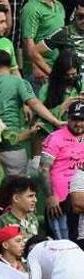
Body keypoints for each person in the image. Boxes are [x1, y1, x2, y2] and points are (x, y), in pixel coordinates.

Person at [42, 101, 84, 238]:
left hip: (81, 201)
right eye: (75, 119)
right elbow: (43, 168)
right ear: (68, 118)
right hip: (59, 203)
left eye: (82, 120)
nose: (78, 124)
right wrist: (50, 196)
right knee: (62, 244)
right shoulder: (55, 137)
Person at [22, 0, 68, 83]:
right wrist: (38, 67)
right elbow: (28, 44)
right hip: (40, 73)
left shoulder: (59, 6)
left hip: (57, 69)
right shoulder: (32, 9)